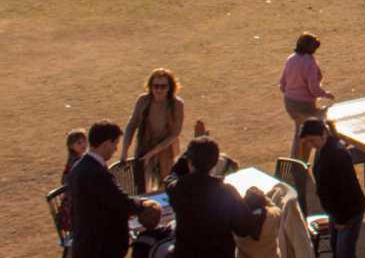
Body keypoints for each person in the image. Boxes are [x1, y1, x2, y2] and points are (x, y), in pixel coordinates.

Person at [67, 120, 160, 258]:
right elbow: (120, 202)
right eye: (115, 144)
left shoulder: (78, 168)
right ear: (105, 144)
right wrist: (143, 204)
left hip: (85, 243)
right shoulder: (97, 173)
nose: (116, 149)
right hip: (100, 248)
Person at [164, 136, 257, 258]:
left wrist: (187, 156)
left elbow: (169, 179)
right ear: (215, 162)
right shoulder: (227, 192)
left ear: (190, 162)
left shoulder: (178, 188)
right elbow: (244, 229)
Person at [300, 120, 365, 257]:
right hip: (337, 211)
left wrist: (341, 219)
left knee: (344, 253)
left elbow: (347, 190)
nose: (311, 145)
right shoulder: (324, 148)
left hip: (348, 212)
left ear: (324, 134)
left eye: (312, 141)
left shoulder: (338, 154)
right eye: (309, 142)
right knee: (337, 249)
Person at [119, 67, 185, 193]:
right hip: (144, 147)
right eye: (156, 86)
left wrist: (152, 153)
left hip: (166, 150)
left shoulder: (177, 105)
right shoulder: (143, 101)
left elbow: (174, 134)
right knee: (141, 187)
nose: (159, 90)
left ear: (170, 87)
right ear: (150, 86)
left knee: (166, 186)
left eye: (163, 86)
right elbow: (131, 125)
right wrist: (124, 151)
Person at [279, 33, 334, 160]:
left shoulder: (291, 58)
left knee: (300, 132)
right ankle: (317, 158)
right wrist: (325, 94)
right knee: (319, 128)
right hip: (304, 106)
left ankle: (296, 162)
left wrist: (290, 93)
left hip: (289, 103)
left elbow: (282, 83)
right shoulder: (310, 62)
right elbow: (313, 88)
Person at [235, 186, 282, 258]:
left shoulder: (237, 220)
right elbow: (277, 210)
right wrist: (269, 202)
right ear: (263, 202)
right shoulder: (274, 215)